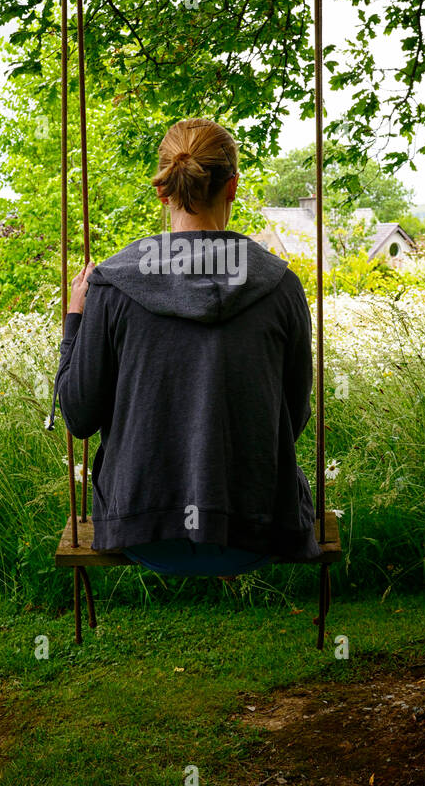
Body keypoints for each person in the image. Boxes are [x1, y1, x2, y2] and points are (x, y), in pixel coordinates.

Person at [49, 117, 320, 575]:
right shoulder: (280, 285)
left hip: (143, 531)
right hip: (254, 531)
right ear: (232, 187)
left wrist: (74, 320)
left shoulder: (113, 285)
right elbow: (293, 417)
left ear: (163, 191)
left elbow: (78, 416)